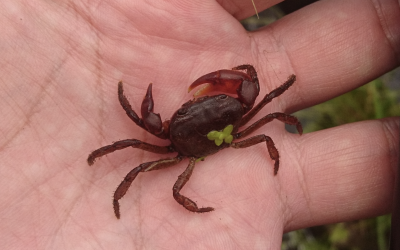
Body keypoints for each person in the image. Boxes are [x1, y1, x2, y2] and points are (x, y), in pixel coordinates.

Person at [0, 0, 398, 249]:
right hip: (204, 146)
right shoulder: (230, 120)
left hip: (188, 151)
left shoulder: (175, 130)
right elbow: (263, 98)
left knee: (270, 112)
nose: (202, 104)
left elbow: (265, 98)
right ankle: (115, 188)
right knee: (267, 115)